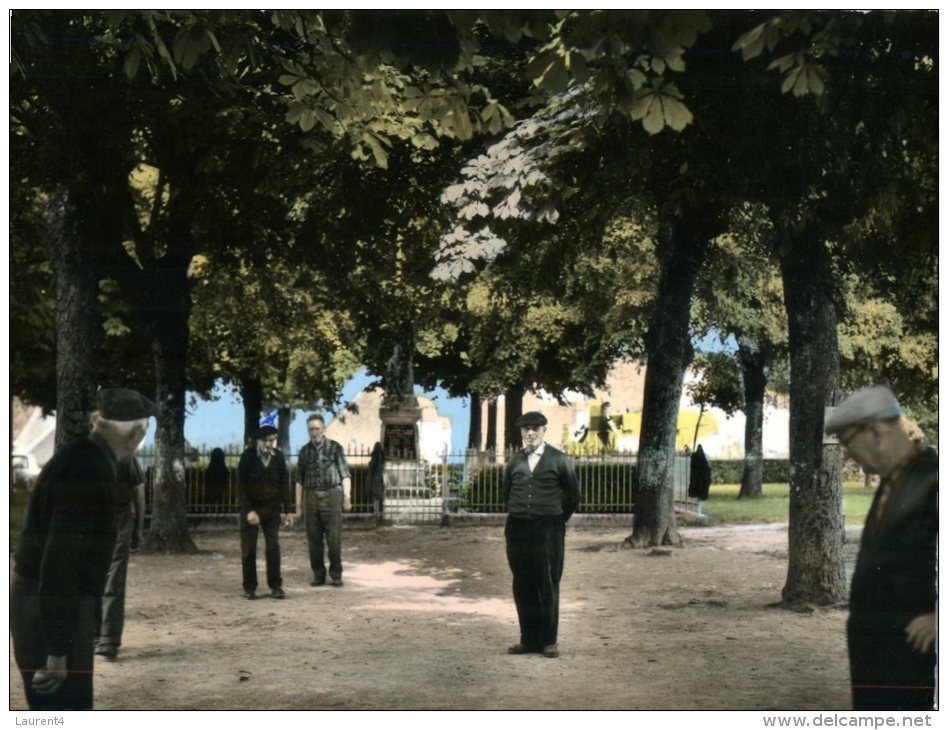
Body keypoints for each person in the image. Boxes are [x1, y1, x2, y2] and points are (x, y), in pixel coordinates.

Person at [11, 387, 156, 710]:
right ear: (136, 434)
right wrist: (57, 650)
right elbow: (59, 561)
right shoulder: (88, 468)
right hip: (51, 609)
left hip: (50, 606)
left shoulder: (87, 457)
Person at [824, 385, 937, 710]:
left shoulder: (933, 478)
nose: (848, 454)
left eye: (848, 443)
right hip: (877, 648)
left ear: (875, 431)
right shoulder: (894, 478)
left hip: (911, 650)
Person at [503, 410, 581, 659]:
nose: (530, 433)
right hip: (517, 528)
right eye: (526, 429)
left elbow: (573, 497)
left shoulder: (560, 460)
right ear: (522, 432)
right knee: (522, 583)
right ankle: (528, 640)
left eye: (535, 428)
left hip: (548, 529)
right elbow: (506, 494)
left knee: (547, 582)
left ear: (544, 431)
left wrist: (555, 520)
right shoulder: (515, 461)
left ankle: (548, 641)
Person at [93, 452, 145, 661]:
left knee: (107, 578)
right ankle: (101, 637)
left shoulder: (124, 455)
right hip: (97, 520)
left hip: (113, 519)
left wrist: (138, 527)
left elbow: (138, 490)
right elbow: (138, 492)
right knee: (103, 578)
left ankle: (105, 638)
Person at [293, 414, 352, 587]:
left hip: (332, 495)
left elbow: (345, 475)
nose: (314, 432)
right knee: (314, 539)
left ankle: (336, 574)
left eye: (317, 428)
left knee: (334, 539)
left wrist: (347, 498)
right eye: (311, 429)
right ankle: (318, 574)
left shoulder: (335, 448)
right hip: (311, 497)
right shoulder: (304, 452)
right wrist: (298, 506)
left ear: (324, 428)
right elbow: (299, 481)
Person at [236, 425, 290, 599]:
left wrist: (288, 511)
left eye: (272, 441)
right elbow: (240, 487)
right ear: (258, 441)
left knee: (273, 548)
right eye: (265, 441)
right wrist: (249, 511)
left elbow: (284, 484)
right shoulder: (248, 457)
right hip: (251, 510)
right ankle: (249, 588)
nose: (268, 444)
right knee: (249, 549)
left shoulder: (279, 457)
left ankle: (275, 586)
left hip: (272, 509)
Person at [203, 447, 230, 512]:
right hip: (222, 490)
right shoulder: (224, 470)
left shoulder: (209, 470)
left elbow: (206, 481)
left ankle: (209, 511)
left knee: (210, 502)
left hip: (211, 490)